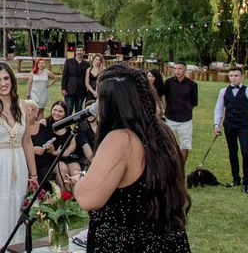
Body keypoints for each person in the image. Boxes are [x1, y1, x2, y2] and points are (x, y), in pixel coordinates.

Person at [71, 64, 191, 252]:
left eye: (99, 99)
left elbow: (88, 199)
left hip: (128, 243)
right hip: (163, 240)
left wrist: (81, 180)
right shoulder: (162, 132)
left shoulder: (121, 139)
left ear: (110, 104)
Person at [0, 62, 38, 251]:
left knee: (15, 211)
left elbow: (27, 142)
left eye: (6, 78)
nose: (3, 83)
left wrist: (33, 177)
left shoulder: (22, 105)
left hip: (18, 166)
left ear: (12, 80)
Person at [213, 67, 248, 194]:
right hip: (229, 125)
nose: (233, 78)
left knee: (246, 152)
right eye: (231, 75)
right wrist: (216, 124)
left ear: (242, 77)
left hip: (243, 126)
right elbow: (219, 109)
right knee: (232, 152)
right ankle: (236, 179)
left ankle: (246, 183)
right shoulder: (223, 91)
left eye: (236, 75)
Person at [162, 61, 198, 163]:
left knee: (185, 145)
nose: (177, 71)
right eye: (175, 69)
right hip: (170, 119)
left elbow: (194, 102)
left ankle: (181, 166)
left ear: (185, 70)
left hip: (185, 120)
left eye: (180, 69)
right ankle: (170, 165)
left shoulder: (192, 85)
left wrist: (184, 109)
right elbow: (164, 97)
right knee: (168, 143)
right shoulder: (168, 82)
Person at [23, 99, 58, 187]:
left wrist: (50, 148)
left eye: (34, 110)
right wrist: (33, 150)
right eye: (32, 110)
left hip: (43, 164)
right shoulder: (21, 128)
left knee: (45, 175)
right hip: (25, 163)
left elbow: (50, 146)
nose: (34, 113)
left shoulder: (42, 127)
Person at [46, 100, 81, 188]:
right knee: (63, 169)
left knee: (76, 170)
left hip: (65, 155)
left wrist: (65, 152)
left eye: (60, 111)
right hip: (51, 157)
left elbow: (73, 144)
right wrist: (54, 152)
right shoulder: (45, 122)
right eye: (55, 110)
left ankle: (75, 198)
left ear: (65, 113)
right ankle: (64, 197)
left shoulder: (69, 126)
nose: (56, 113)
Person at [61, 44, 90, 115]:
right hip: (69, 90)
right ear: (75, 52)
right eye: (77, 50)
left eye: (81, 50)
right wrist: (63, 88)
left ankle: (78, 126)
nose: (79, 52)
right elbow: (64, 76)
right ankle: (67, 126)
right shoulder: (68, 61)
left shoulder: (87, 64)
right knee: (68, 110)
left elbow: (88, 77)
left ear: (84, 52)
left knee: (79, 110)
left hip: (81, 91)